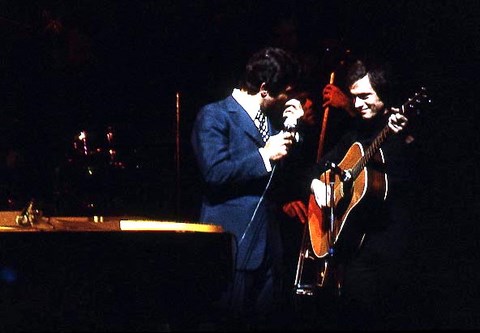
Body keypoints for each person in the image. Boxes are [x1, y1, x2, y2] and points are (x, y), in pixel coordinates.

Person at [190, 46, 305, 329]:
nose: (287, 98)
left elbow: (282, 177)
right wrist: (263, 156)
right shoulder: (215, 115)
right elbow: (215, 173)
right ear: (264, 89)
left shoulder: (271, 122)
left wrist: (294, 129)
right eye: (284, 92)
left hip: (269, 247)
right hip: (233, 247)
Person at [305, 54, 420, 329]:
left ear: (385, 92)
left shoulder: (402, 129)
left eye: (366, 96)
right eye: (354, 96)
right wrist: (317, 184)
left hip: (389, 251)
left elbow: (421, 175)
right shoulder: (355, 134)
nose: (357, 104)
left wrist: (405, 138)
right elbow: (315, 169)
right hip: (354, 249)